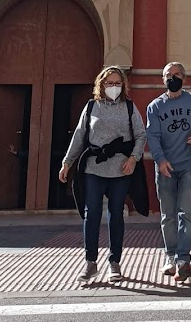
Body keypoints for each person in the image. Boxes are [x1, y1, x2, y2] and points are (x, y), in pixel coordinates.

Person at [59, 66, 145, 283]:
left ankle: (114, 262)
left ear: (123, 86)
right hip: (93, 169)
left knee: (116, 214)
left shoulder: (129, 108)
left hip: (121, 169)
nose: (113, 87)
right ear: (101, 84)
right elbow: (79, 135)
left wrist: (133, 158)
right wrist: (67, 162)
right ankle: (90, 262)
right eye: (109, 83)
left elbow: (141, 135)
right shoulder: (91, 107)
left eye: (117, 83)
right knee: (92, 213)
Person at [146, 62, 191, 283]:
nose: (172, 78)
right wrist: (160, 160)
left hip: (189, 167)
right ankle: (170, 256)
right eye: (167, 75)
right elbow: (152, 137)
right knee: (168, 215)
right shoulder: (154, 107)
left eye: (176, 74)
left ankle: (183, 259)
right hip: (164, 168)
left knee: (186, 214)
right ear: (162, 79)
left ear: (184, 78)